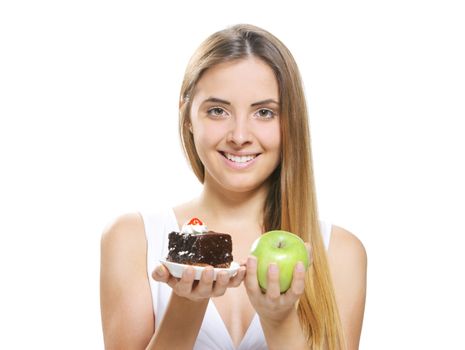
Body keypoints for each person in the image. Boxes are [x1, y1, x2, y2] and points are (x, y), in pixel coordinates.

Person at [100, 24, 367, 350]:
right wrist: (186, 303)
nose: (240, 136)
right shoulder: (132, 239)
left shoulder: (338, 252)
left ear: (290, 122)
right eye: (217, 111)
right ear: (187, 116)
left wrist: (278, 321)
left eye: (264, 112)